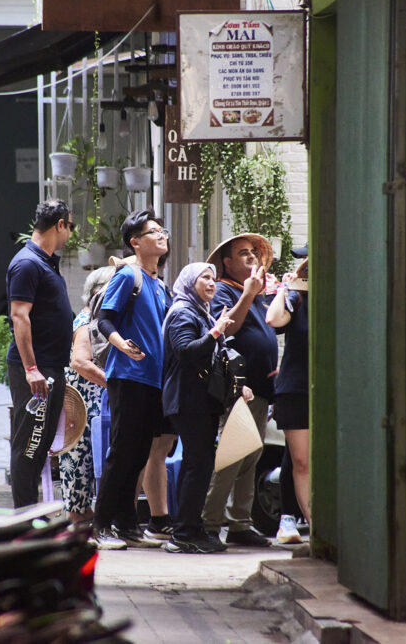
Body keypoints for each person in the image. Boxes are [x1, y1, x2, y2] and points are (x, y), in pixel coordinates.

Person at [92, 209, 172, 548]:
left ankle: (126, 525)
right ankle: (98, 527)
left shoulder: (161, 286)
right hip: (128, 375)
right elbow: (104, 320)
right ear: (135, 243)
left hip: (153, 380)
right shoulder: (128, 276)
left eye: (161, 230)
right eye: (152, 231)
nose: (161, 235)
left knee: (140, 453)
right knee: (122, 451)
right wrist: (121, 344)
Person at [202, 233, 277, 547]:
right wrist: (247, 294)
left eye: (252, 253)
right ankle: (208, 521)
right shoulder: (225, 290)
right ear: (227, 263)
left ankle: (240, 522)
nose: (250, 258)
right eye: (242, 254)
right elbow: (226, 328)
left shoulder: (258, 293)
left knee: (251, 453)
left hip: (260, 387)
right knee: (234, 454)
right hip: (238, 387)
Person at [161, 262, 237, 553]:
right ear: (189, 281)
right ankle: (183, 533)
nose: (211, 282)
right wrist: (216, 332)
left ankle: (191, 529)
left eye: (214, 278)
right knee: (196, 464)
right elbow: (185, 352)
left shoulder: (199, 313)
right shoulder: (183, 312)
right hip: (187, 399)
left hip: (199, 401)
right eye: (204, 277)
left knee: (200, 464)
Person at [4, 199, 74, 509]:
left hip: (51, 367)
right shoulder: (27, 263)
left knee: (41, 444)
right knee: (29, 446)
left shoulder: (44, 262)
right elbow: (20, 316)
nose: (69, 233)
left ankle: (32, 517)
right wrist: (32, 369)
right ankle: (25, 520)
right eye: (69, 227)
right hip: (36, 370)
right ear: (60, 224)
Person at [63, 266, 115, 527]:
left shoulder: (95, 319)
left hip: (93, 397)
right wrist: (113, 384)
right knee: (79, 455)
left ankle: (84, 514)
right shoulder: (86, 321)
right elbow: (80, 362)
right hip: (83, 400)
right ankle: (78, 516)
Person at [265, 246, 310, 545]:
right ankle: (302, 522)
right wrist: (285, 288)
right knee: (299, 460)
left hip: (331, 389)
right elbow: (274, 320)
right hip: (296, 388)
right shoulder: (297, 297)